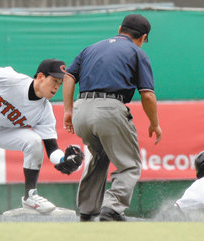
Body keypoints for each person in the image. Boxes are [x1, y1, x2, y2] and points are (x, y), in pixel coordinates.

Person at [63, 14, 162, 222]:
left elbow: (69, 76)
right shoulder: (137, 52)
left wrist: (68, 110)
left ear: (120, 28)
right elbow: (147, 94)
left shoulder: (90, 48)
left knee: (99, 155)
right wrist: (155, 123)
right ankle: (113, 207)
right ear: (143, 37)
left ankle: (87, 209)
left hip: (81, 109)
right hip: (109, 108)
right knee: (129, 164)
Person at [0, 59, 83, 214]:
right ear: (40, 76)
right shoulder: (11, 79)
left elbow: (51, 148)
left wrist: (64, 160)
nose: (57, 86)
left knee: (34, 141)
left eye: (60, 83)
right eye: (54, 80)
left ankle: (30, 197)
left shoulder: (44, 111)